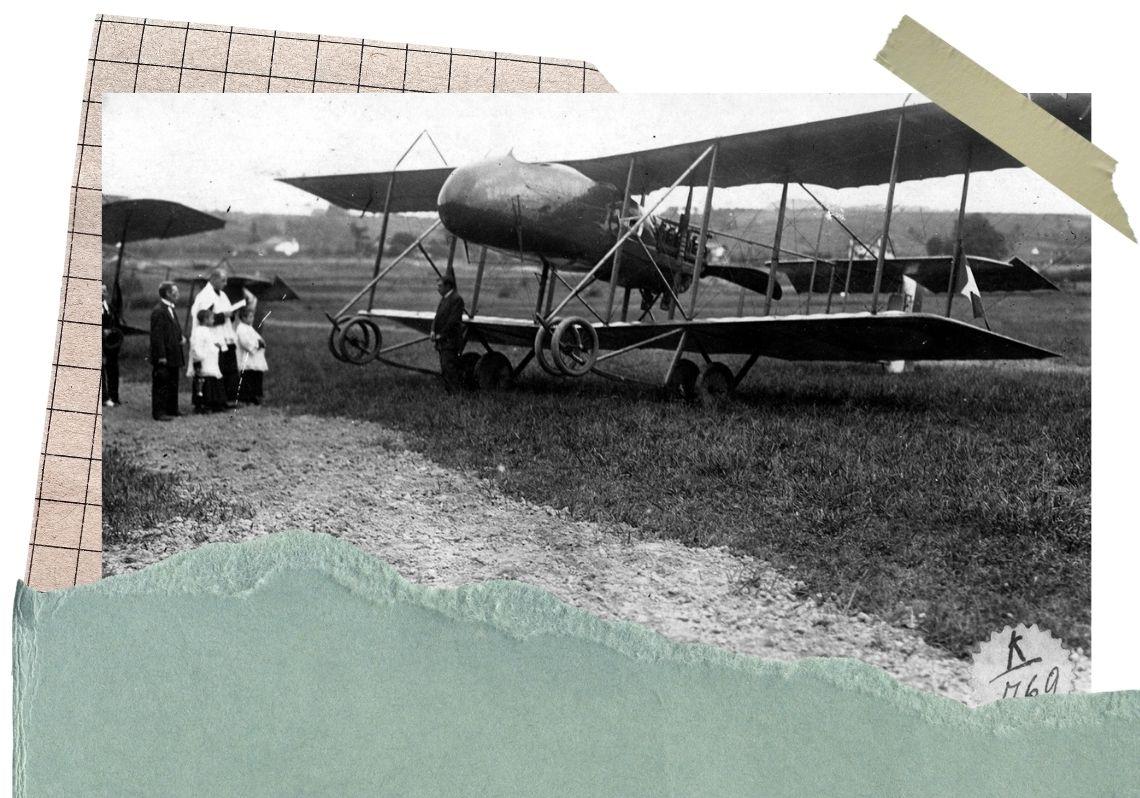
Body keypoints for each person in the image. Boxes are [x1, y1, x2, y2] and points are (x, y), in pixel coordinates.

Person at [190, 268, 246, 407]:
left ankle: (227, 399)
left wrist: (232, 314)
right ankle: (212, 401)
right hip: (212, 337)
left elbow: (227, 313)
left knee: (229, 368)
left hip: (226, 336)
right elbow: (203, 317)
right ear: (213, 279)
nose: (225, 283)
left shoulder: (222, 295)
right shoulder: (205, 296)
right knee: (214, 369)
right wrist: (223, 316)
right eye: (223, 280)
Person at [149, 282, 184, 421]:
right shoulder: (159, 310)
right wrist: (161, 356)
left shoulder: (170, 308)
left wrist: (180, 337)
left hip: (174, 354)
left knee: (173, 382)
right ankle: (159, 412)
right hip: (165, 355)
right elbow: (157, 336)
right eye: (176, 291)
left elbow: (171, 329)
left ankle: (172, 409)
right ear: (168, 293)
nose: (178, 294)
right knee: (161, 383)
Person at [430, 275, 466, 392]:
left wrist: (442, 334)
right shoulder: (444, 299)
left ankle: (456, 393)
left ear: (448, 286)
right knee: (445, 367)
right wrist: (433, 330)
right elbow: (437, 317)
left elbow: (453, 320)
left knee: (450, 366)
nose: (438, 289)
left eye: (440, 286)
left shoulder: (456, 299)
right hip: (443, 341)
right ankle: (450, 392)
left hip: (451, 341)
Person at [188, 309, 226, 412]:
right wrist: (198, 360)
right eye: (212, 318)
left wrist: (215, 345)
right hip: (204, 361)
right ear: (205, 319)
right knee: (205, 382)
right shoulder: (199, 331)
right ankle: (202, 404)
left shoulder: (207, 330)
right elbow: (196, 347)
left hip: (211, 361)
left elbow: (209, 343)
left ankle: (213, 403)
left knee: (213, 380)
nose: (214, 320)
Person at [235, 308, 267, 405]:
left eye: (252, 316)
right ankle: (246, 398)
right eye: (250, 317)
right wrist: (257, 344)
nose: (252, 319)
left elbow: (258, 339)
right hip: (247, 359)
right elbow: (245, 342)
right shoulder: (241, 328)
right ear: (243, 318)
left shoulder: (249, 328)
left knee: (256, 378)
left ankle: (255, 396)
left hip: (255, 359)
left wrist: (261, 343)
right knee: (248, 378)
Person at [101, 283, 122, 407]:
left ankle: (114, 396)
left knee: (113, 368)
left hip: (111, 344)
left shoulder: (110, 308)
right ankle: (104, 397)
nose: (102, 293)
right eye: (100, 291)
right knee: (101, 370)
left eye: (104, 291)